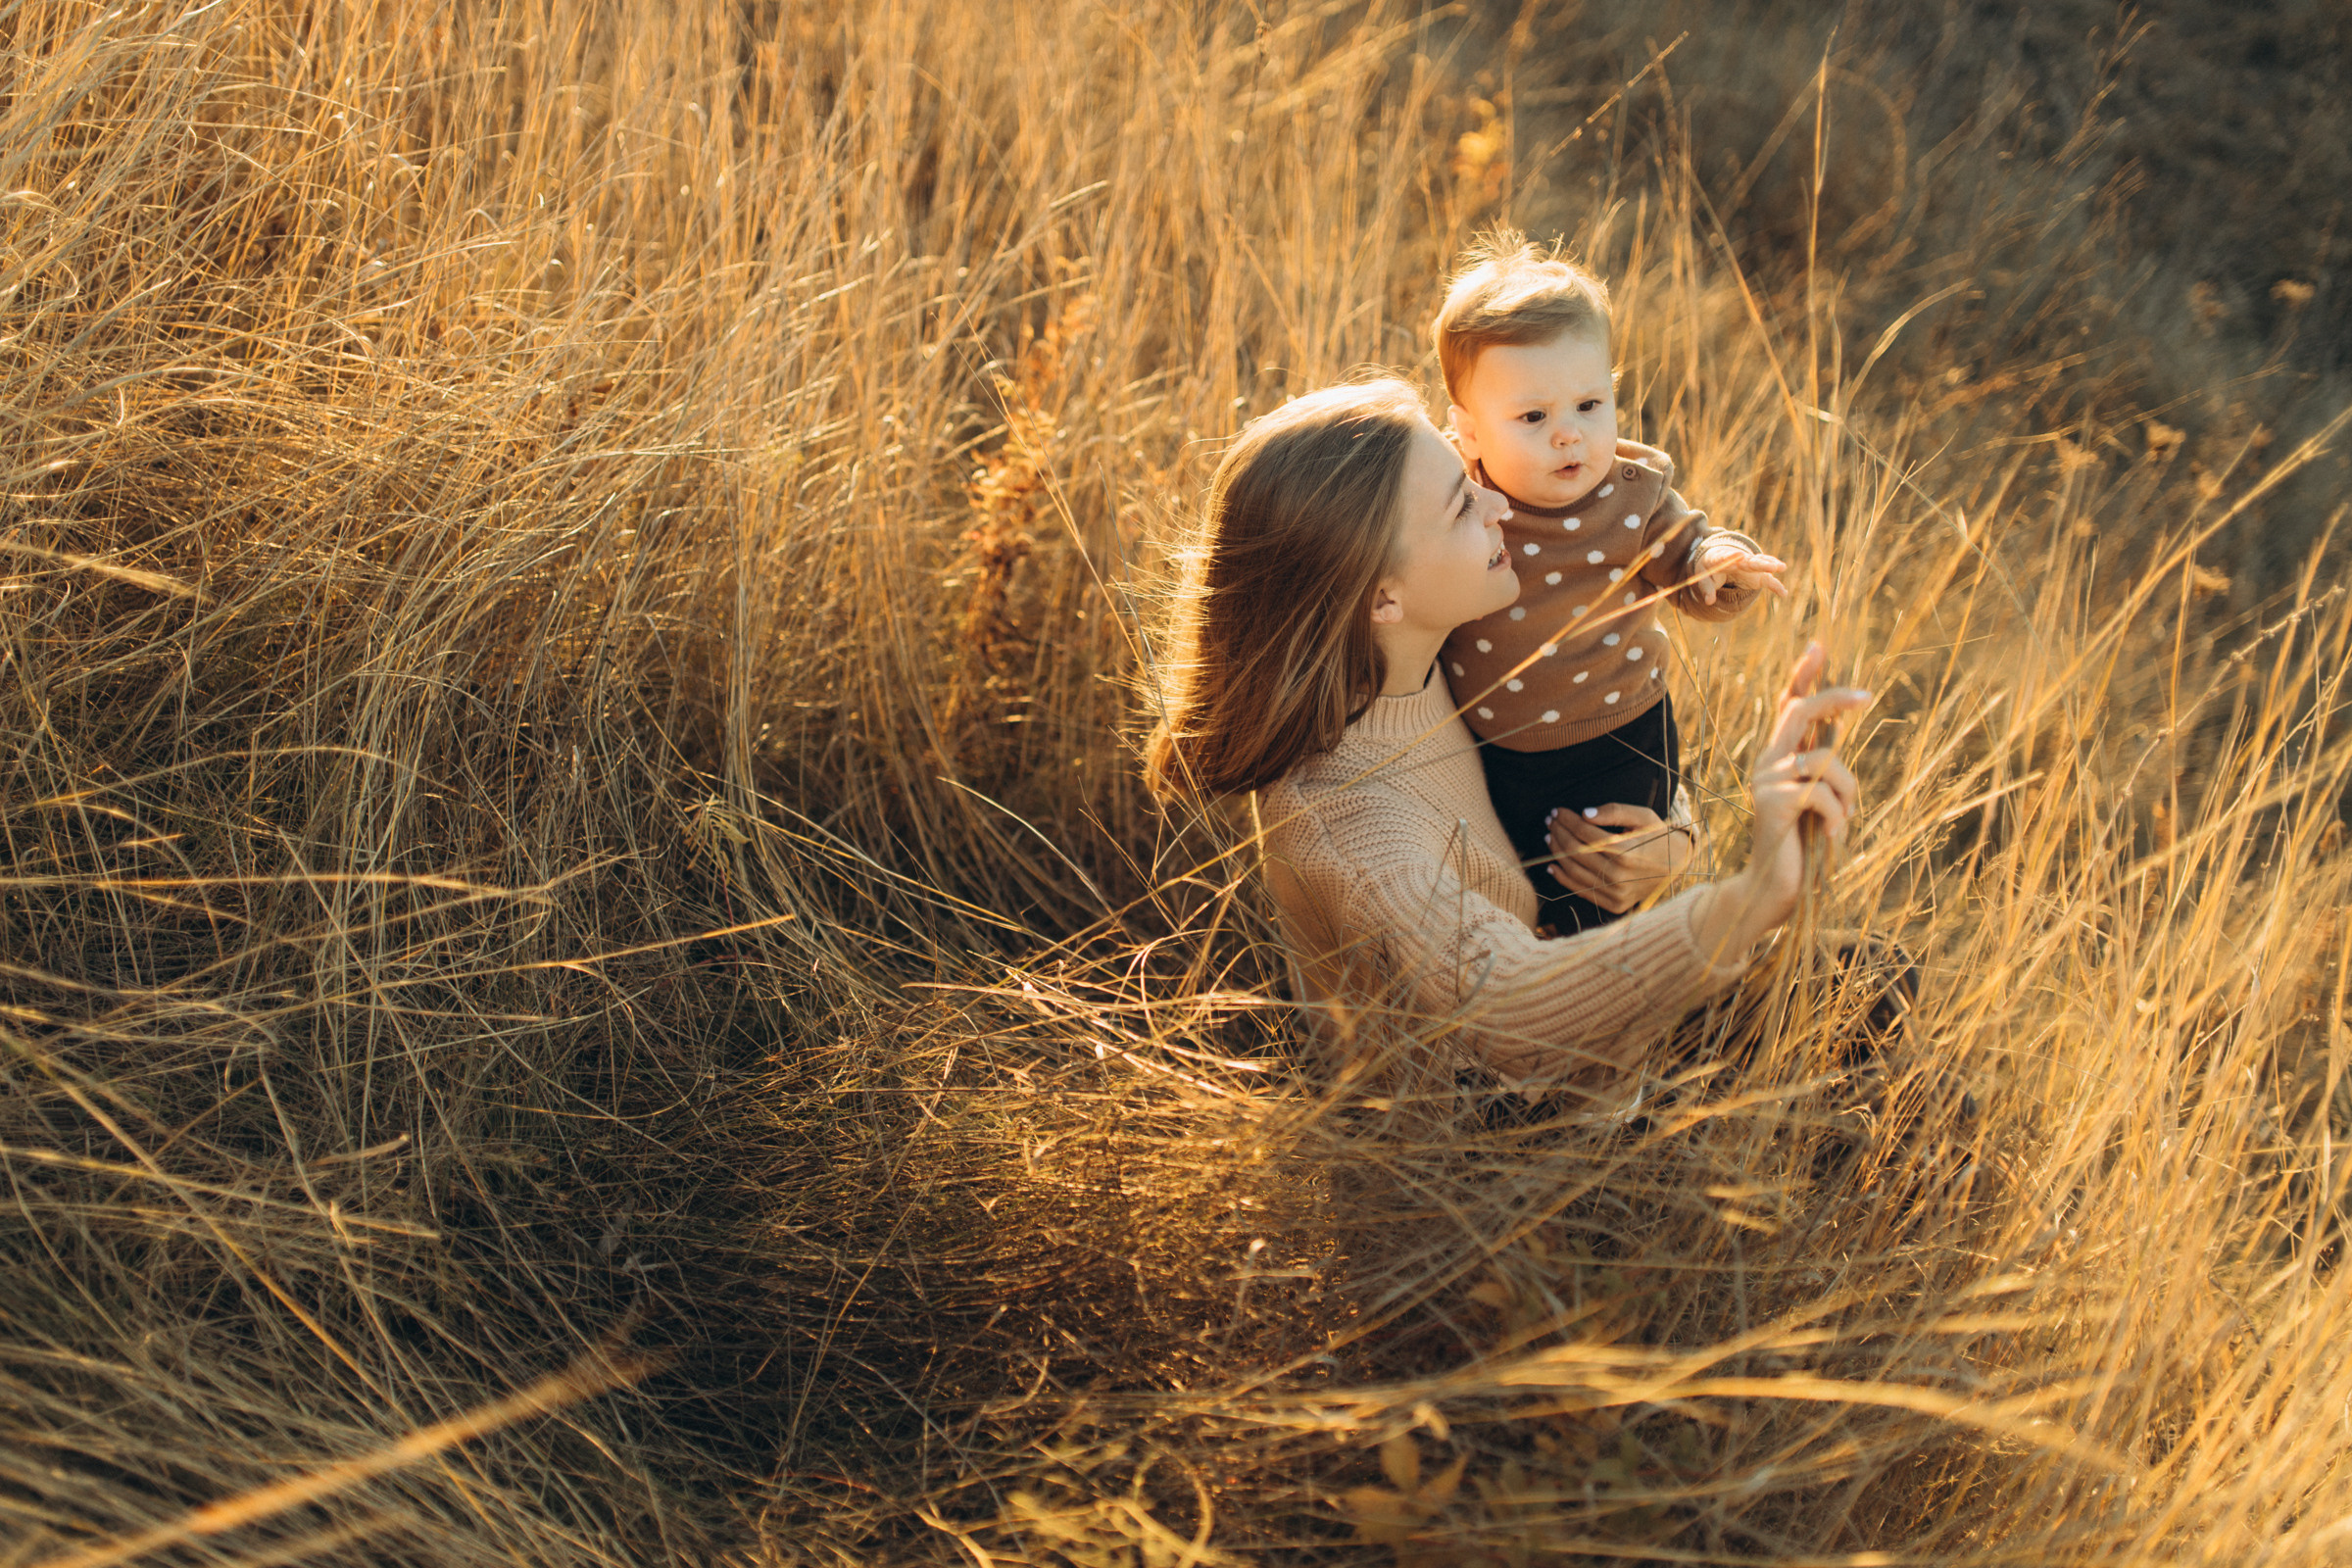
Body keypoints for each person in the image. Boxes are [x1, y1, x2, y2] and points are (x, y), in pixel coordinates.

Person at [1143, 378, 1867, 1099]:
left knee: (1858, 979)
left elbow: (1602, 761)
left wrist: (1669, 844)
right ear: (1381, 597)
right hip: (1490, 1141)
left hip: (1586, 1034)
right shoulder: (1349, 825)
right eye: (1463, 504)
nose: (1499, 506)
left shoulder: (1444, 657)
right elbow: (1511, 1011)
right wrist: (1751, 896)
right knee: (1854, 1003)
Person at [1434, 232, 1788, 935]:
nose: (1570, 435)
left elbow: (1690, 552)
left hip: (1621, 741)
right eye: (1534, 417)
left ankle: (1613, 989)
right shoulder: (1454, 500)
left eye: (1590, 406)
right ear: (1468, 432)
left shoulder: (1632, 497)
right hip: (1493, 750)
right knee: (1516, 889)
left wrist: (1720, 564)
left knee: (1596, 889)